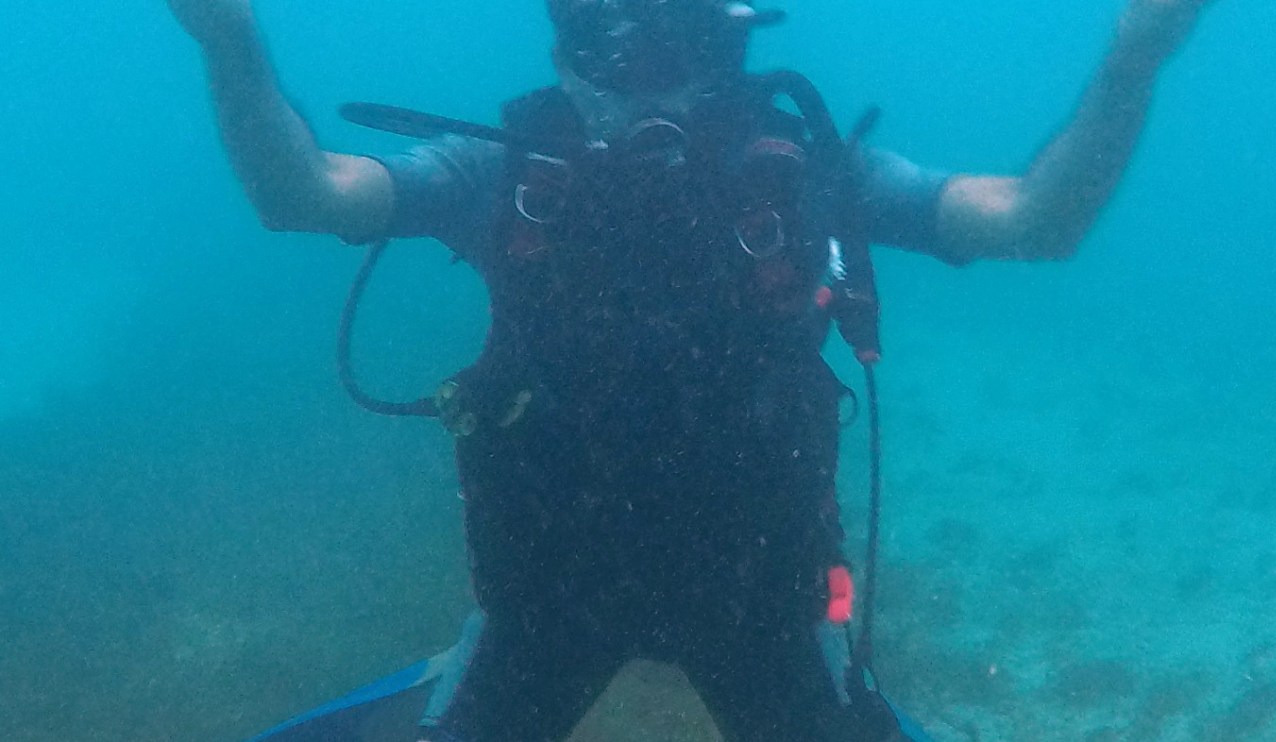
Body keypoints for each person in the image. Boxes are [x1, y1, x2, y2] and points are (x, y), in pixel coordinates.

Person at [167, 1, 1219, 740]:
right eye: (600, 40)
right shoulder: (504, 171)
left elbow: (1039, 223)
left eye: (668, 42)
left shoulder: (808, 174)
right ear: (564, 39)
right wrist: (230, 40)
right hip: (549, 597)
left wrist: (1134, 60)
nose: (634, 81)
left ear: (726, 42)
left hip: (758, 601)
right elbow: (300, 196)